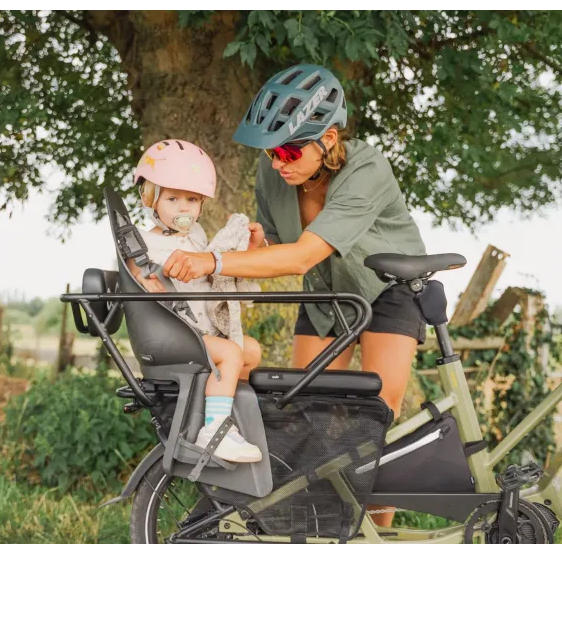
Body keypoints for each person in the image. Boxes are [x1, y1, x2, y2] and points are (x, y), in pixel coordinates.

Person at [161, 65, 428, 525]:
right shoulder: (274, 175)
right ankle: (316, 526)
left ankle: (376, 540)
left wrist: (213, 261)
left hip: (388, 290)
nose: (277, 163)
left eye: (287, 150)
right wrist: (256, 246)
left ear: (328, 139)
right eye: (270, 152)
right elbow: (278, 248)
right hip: (326, 298)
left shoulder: (367, 168)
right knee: (306, 414)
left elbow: (302, 256)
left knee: (375, 418)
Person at [129, 139, 263, 463]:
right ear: (150, 198)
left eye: (192, 199)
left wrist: (248, 249)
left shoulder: (197, 237)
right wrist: (147, 280)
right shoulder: (143, 244)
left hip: (196, 333)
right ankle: (215, 431)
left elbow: (215, 269)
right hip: (173, 333)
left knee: (251, 350)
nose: (183, 208)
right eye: (172, 198)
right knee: (230, 353)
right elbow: (135, 277)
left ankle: (221, 409)